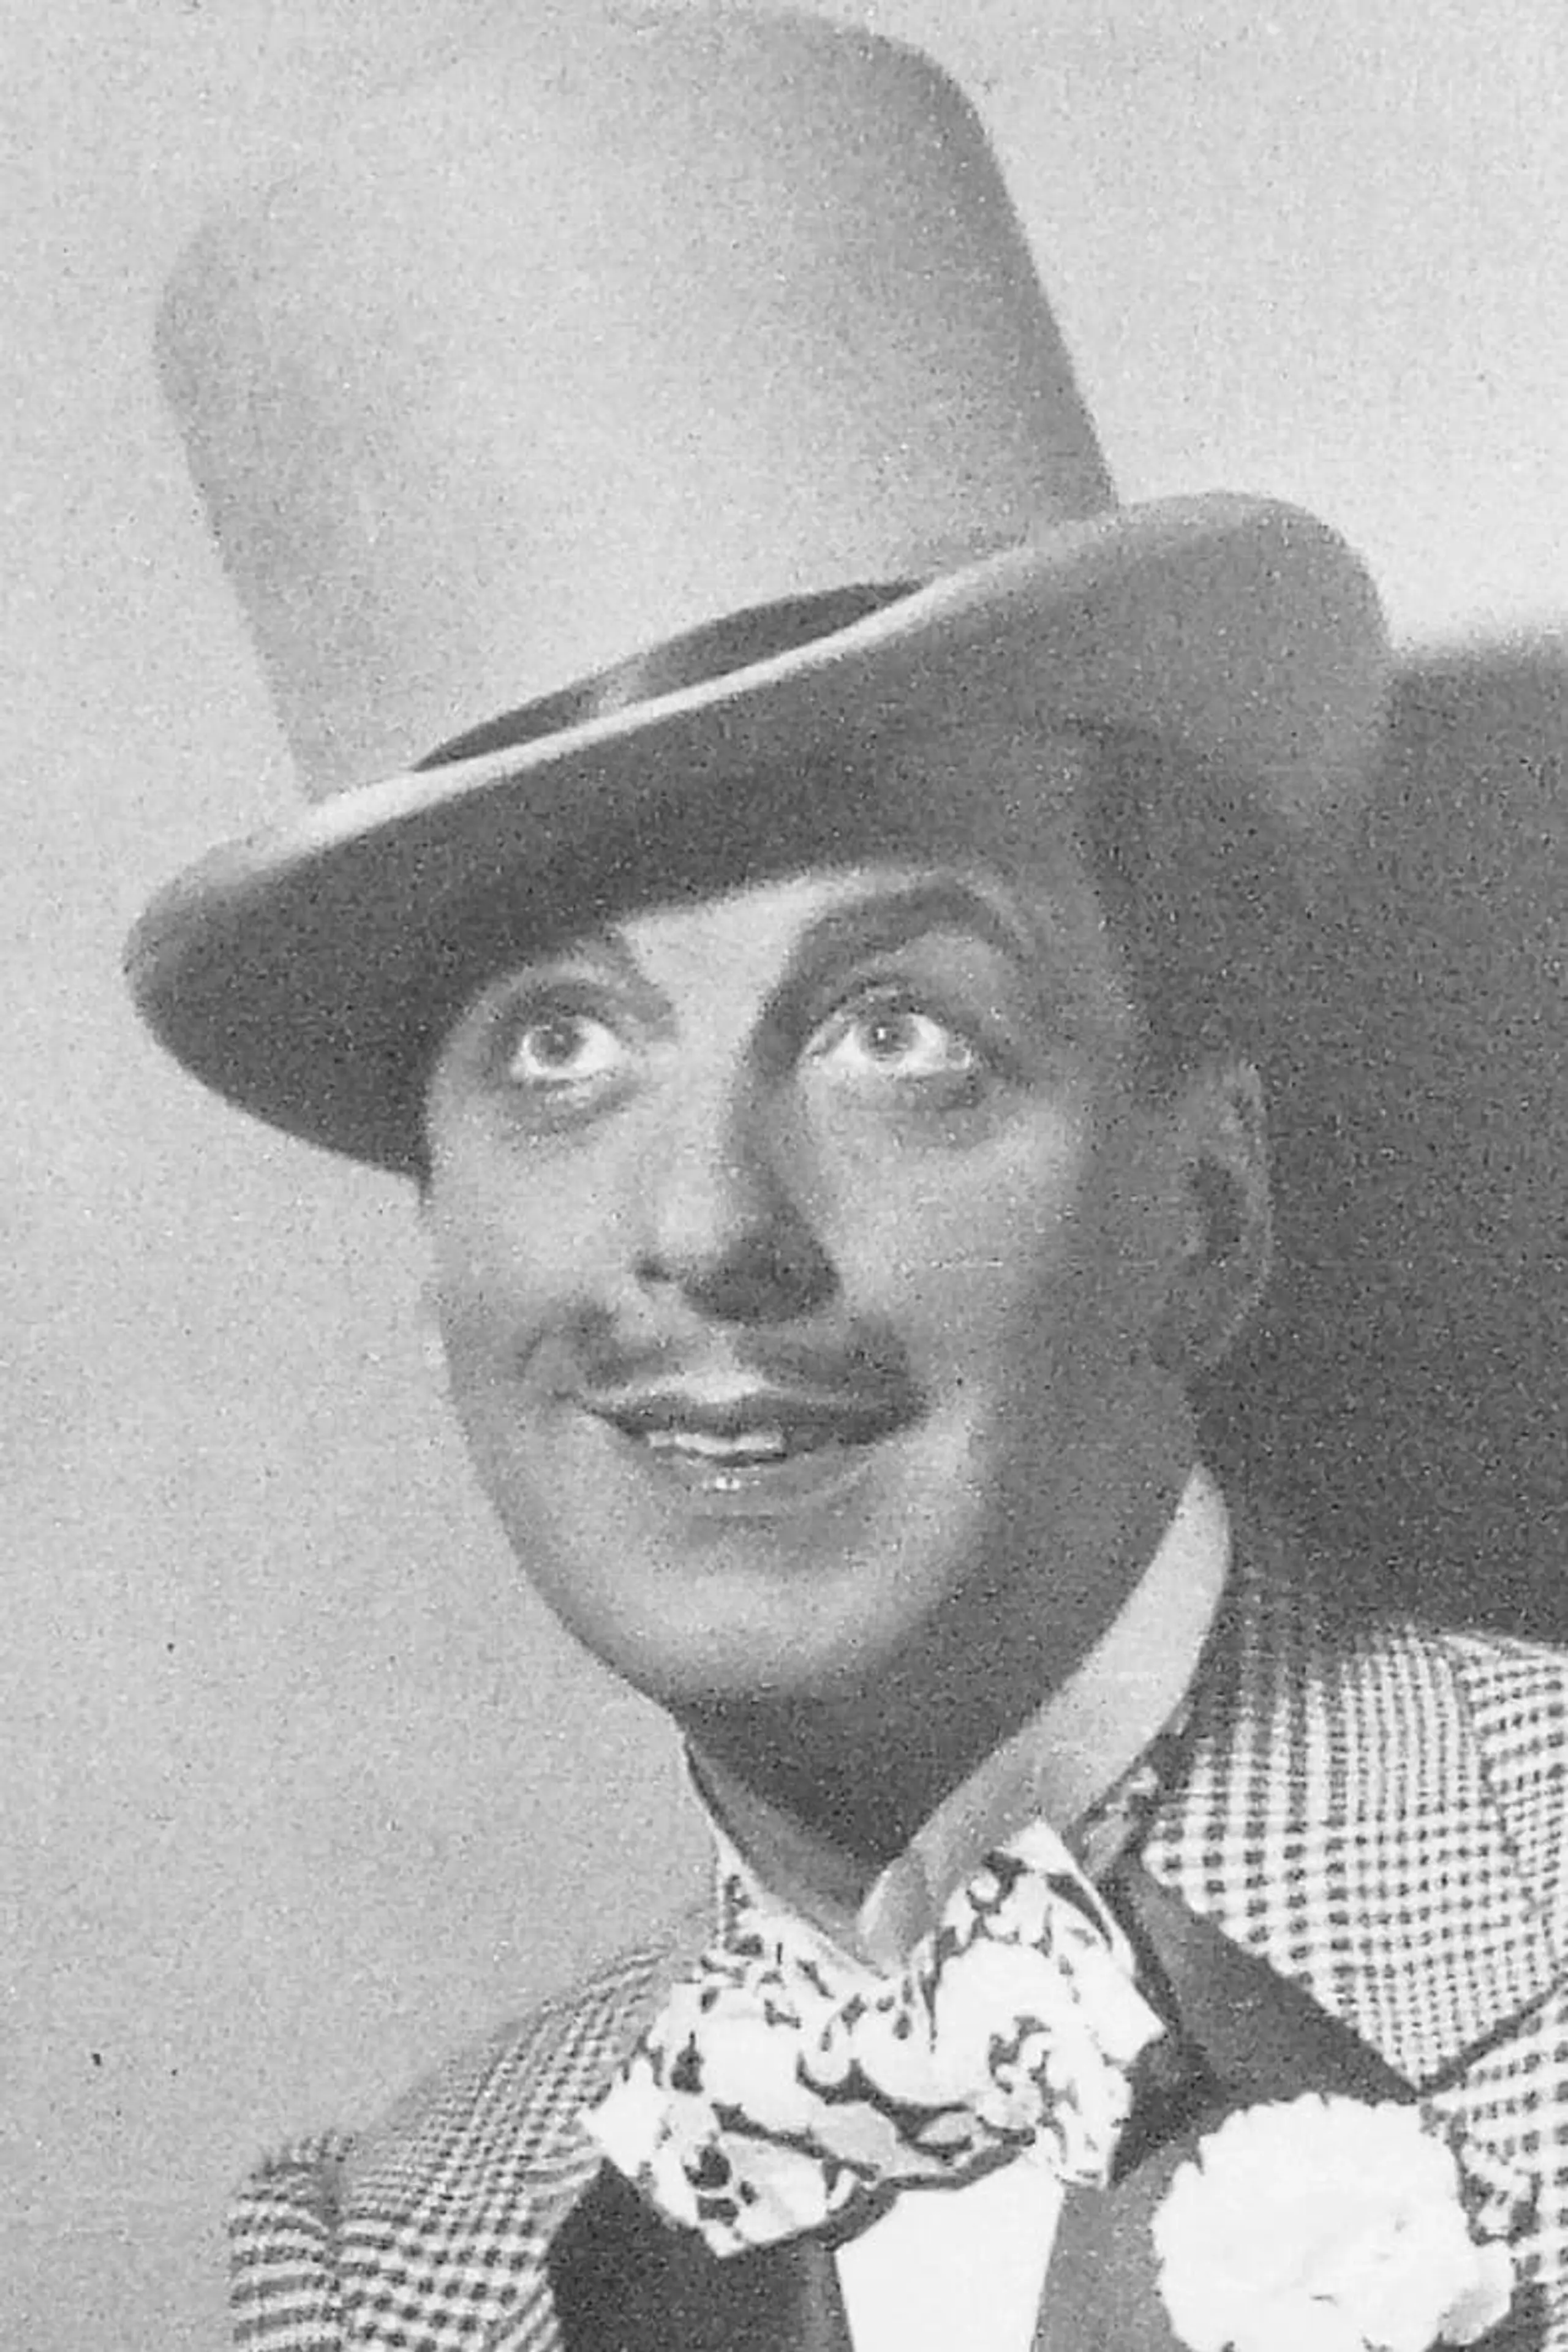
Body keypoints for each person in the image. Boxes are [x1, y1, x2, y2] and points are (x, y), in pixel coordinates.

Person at [127, 10, 1568, 2350]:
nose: (707, 1225)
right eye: (560, 1043)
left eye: (903, 1033)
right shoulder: (391, 2260)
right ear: (435, 1251)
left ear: (1206, 1209)